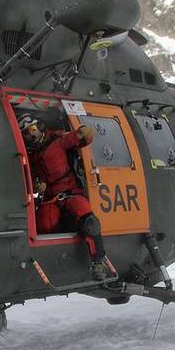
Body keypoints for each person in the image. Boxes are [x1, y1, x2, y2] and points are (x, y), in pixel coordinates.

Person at [21, 114, 111, 281]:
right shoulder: (30, 156)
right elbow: (30, 179)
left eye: (32, 129)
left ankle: (98, 261)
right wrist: (37, 185)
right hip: (50, 199)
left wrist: (84, 132)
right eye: (26, 133)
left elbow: (80, 138)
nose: (30, 135)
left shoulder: (57, 140)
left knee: (89, 221)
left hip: (71, 193)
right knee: (44, 224)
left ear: (39, 127)